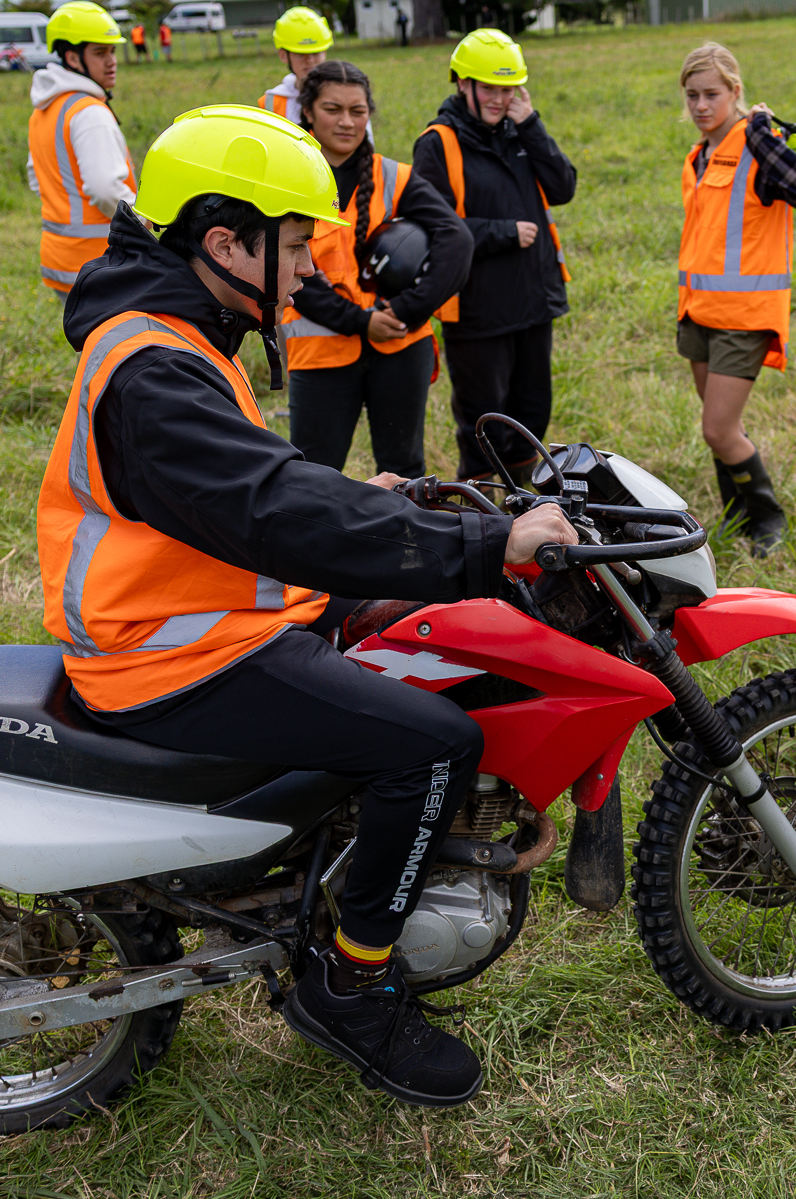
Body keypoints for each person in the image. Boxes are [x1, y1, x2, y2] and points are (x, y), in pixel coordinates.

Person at [40, 104, 578, 1106]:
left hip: (204, 619)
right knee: (431, 743)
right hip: (172, 656)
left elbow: (256, 489)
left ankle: (319, 877)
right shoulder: (155, 368)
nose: (307, 276)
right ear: (222, 241)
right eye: (292, 248)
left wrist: (365, 502)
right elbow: (272, 510)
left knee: (404, 650)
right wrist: (485, 545)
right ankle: (352, 980)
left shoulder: (171, 328)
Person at [280, 60, 470, 476]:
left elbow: (457, 241)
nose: (347, 122)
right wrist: (359, 322)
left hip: (402, 347)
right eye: (333, 109)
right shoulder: (285, 182)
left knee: (405, 472)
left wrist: (405, 311)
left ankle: (409, 543)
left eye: (357, 111)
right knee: (313, 474)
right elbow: (281, 266)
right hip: (321, 354)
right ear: (308, 111)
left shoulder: (393, 176)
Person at [674, 42, 796, 556]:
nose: (700, 105)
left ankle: (768, 519)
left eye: (712, 94)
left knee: (718, 428)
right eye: (691, 95)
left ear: (736, 92)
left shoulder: (758, 143)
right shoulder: (699, 154)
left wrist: (763, 132)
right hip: (698, 310)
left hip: (744, 314)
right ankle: (735, 514)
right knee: (718, 426)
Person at [412, 29, 578, 480]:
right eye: (490, 87)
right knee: (484, 424)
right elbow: (430, 226)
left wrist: (532, 125)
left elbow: (563, 187)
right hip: (478, 308)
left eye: (508, 89)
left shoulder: (520, 132)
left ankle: (521, 505)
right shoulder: (438, 143)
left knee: (532, 414)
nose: (500, 99)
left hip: (533, 299)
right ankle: (483, 519)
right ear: (462, 83)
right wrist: (503, 233)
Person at [26, 1, 135, 294]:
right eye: (100, 53)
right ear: (73, 58)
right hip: (102, 263)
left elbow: (38, 180)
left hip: (62, 261)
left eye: (112, 51)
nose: (111, 61)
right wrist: (145, 221)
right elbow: (106, 191)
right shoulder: (90, 113)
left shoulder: (45, 111)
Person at [258, 7, 333, 124]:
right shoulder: (271, 102)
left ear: (324, 52)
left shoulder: (341, 96)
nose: (310, 60)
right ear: (283, 55)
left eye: (316, 53)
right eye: (301, 54)